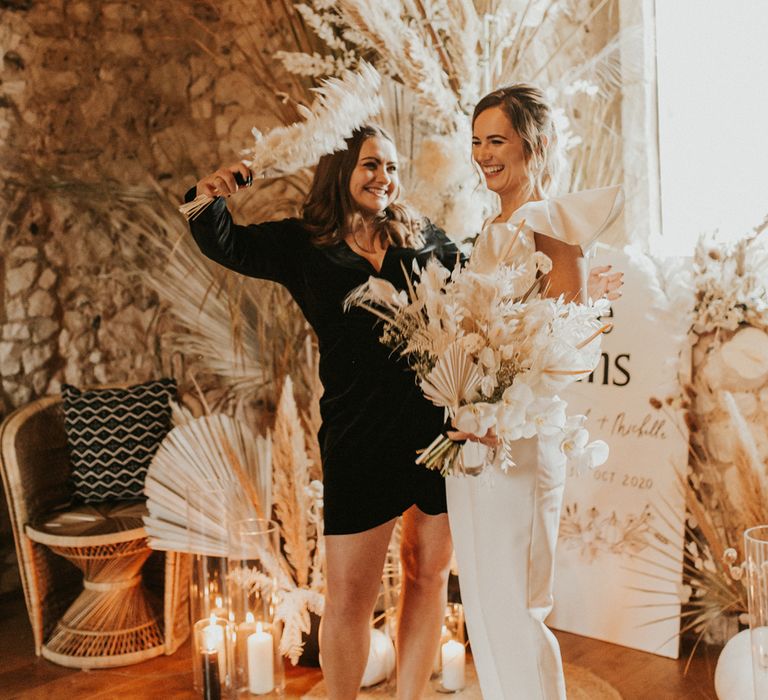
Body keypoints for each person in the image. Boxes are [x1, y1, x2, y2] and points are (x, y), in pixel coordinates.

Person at [186, 125, 459, 700]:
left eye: (391, 166)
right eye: (370, 165)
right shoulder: (304, 244)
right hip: (359, 437)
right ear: (340, 170)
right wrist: (207, 195)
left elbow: (480, 284)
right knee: (349, 601)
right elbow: (225, 242)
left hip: (433, 431)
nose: (385, 177)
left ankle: (408, 695)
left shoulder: (422, 235)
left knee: (428, 573)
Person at [445, 84, 624, 700]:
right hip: (470, 437)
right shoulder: (489, 229)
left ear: (534, 143)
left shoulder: (551, 225)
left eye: (496, 140)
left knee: (520, 605)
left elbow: (563, 344)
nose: (484, 154)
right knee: (485, 607)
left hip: (518, 439)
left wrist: (498, 401)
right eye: (476, 142)